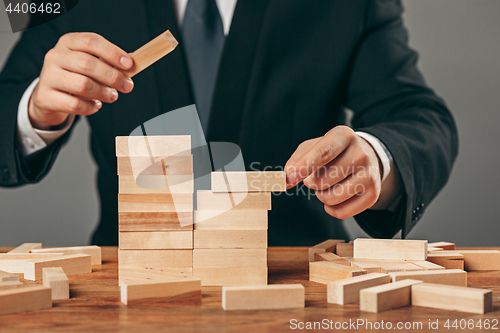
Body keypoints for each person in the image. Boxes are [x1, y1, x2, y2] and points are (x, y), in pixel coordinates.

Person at [0, 0, 458, 246]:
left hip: (293, 283)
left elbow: (420, 116)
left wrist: (377, 158)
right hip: (125, 283)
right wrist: (35, 110)